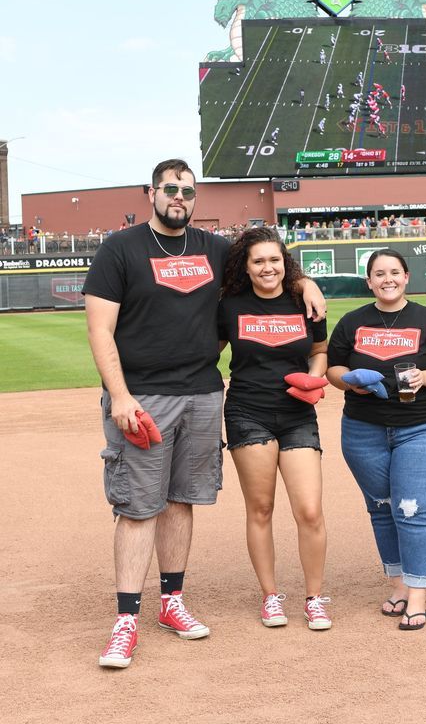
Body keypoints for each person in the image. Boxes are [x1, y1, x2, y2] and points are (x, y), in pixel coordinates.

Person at [83, 159, 325, 669]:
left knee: (180, 501)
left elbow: (268, 259)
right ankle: (126, 620)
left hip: (202, 393)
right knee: (138, 506)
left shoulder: (214, 248)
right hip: (144, 396)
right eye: (171, 189)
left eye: (188, 191)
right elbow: (100, 329)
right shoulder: (120, 248)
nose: (180, 197)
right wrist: (120, 396)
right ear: (152, 192)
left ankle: (171, 601)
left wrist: (304, 282)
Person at [327, 249, 426, 630]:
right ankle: (399, 584)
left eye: (394, 272)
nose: (387, 279)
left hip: (421, 427)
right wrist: (350, 382)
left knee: (412, 508)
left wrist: (425, 378)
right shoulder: (352, 322)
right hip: (363, 429)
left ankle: (417, 596)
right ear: (369, 281)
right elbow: (334, 368)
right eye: (379, 273)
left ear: (406, 277)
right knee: (382, 507)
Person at [218, 227, 332, 630]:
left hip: (298, 413)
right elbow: (209, 351)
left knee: (310, 511)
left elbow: (320, 351)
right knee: (261, 508)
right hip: (248, 412)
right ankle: (270, 596)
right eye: (259, 261)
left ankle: (315, 598)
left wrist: (313, 378)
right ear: (246, 267)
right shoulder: (230, 305)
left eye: (274, 259)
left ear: (286, 263)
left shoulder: (305, 300)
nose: (268, 268)